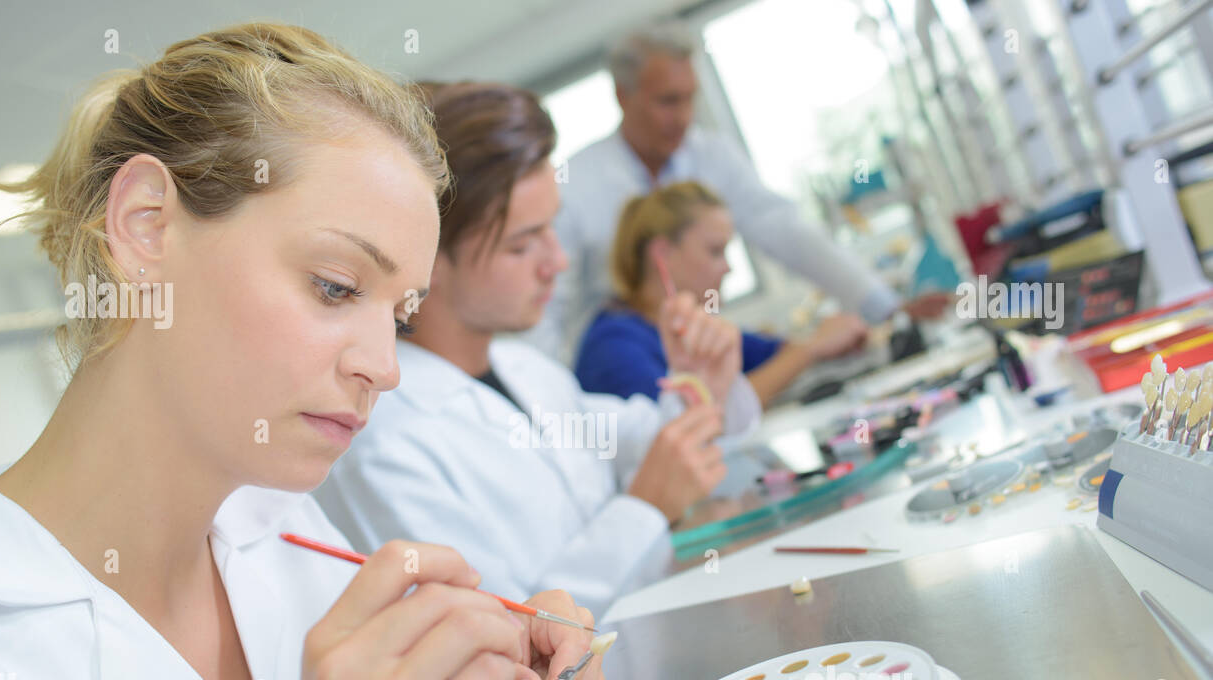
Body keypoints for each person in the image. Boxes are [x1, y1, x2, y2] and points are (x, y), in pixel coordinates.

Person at [0, 22, 606, 680]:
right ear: (145, 228)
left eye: (398, 314)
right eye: (335, 285)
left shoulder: (290, 538)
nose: (385, 367)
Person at [314, 82, 761, 621]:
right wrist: (645, 509)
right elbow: (503, 635)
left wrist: (699, 383)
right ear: (423, 255)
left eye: (552, 229)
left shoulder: (526, 370)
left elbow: (645, 441)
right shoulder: (383, 445)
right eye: (523, 244)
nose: (557, 262)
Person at [526, 19, 953, 365]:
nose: (683, 117)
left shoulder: (712, 155)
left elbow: (788, 231)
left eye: (690, 99)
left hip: (699, 353)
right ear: (623, 95)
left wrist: (883, 308)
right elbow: (548, 305)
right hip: (625, 361)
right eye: (668, 101)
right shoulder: (575, 183)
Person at [576, 181, 870, 406]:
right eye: (715, 251)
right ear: (662, 254)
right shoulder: (613, 347)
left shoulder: (691, 328)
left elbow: (773, 355)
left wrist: (828, 338)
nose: (727, 268)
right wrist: (810, 349)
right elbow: (688, 423)